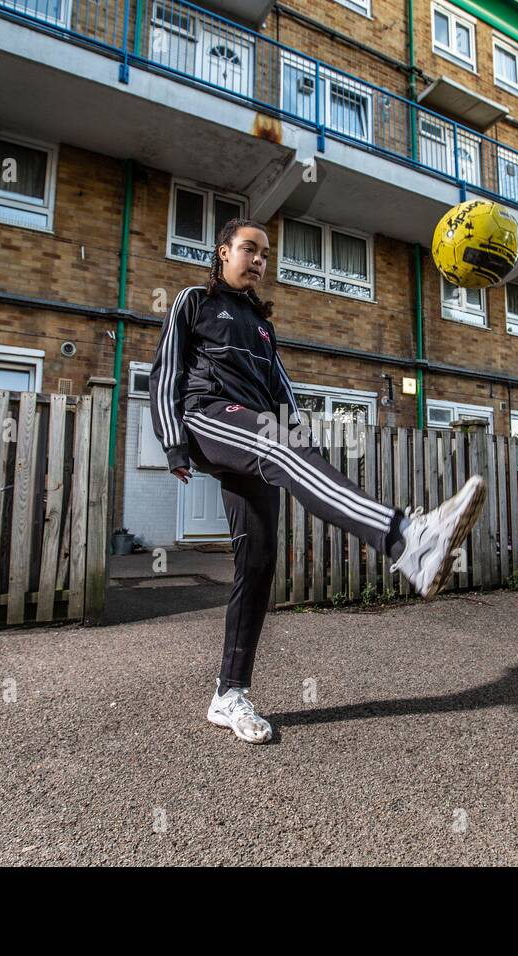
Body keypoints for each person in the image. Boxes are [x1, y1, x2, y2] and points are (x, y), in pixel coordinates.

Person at [149, 218, 486, 744]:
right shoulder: (194, 300)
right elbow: (165, 372)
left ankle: (228, 693)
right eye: (249, 249)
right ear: (222, 252)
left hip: (258, 432)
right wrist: (173, 441)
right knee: (279, 444)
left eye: (266, 254)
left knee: (257, 562)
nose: (259, 260)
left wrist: (304, 440)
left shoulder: (261, 324)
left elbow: (281, 388)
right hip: (208, 412)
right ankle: (409, 540)